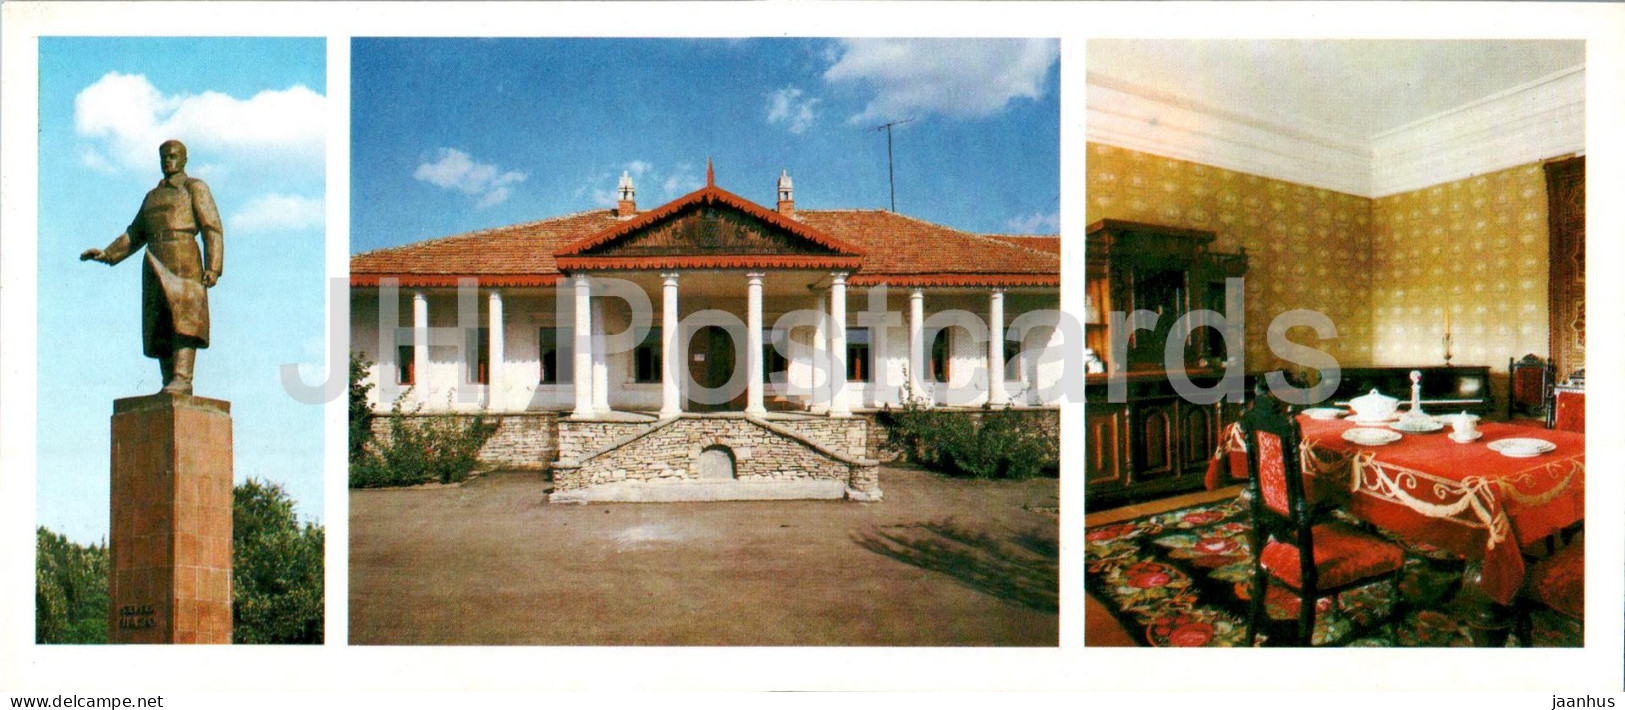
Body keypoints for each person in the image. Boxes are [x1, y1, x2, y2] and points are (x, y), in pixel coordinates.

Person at [81, 139, 223, 396]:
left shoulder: (195, 188)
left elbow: (212, 228)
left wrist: (214, 266)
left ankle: (183, 379)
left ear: (184, 160)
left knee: (185, 321)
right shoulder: (152, 197)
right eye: (164, 157)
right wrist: (107, 254)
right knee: (160, 323)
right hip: (155, 260)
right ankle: (169, 380)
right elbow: (134, 234)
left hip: (184, 259)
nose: (168, 161)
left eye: (173, 156)